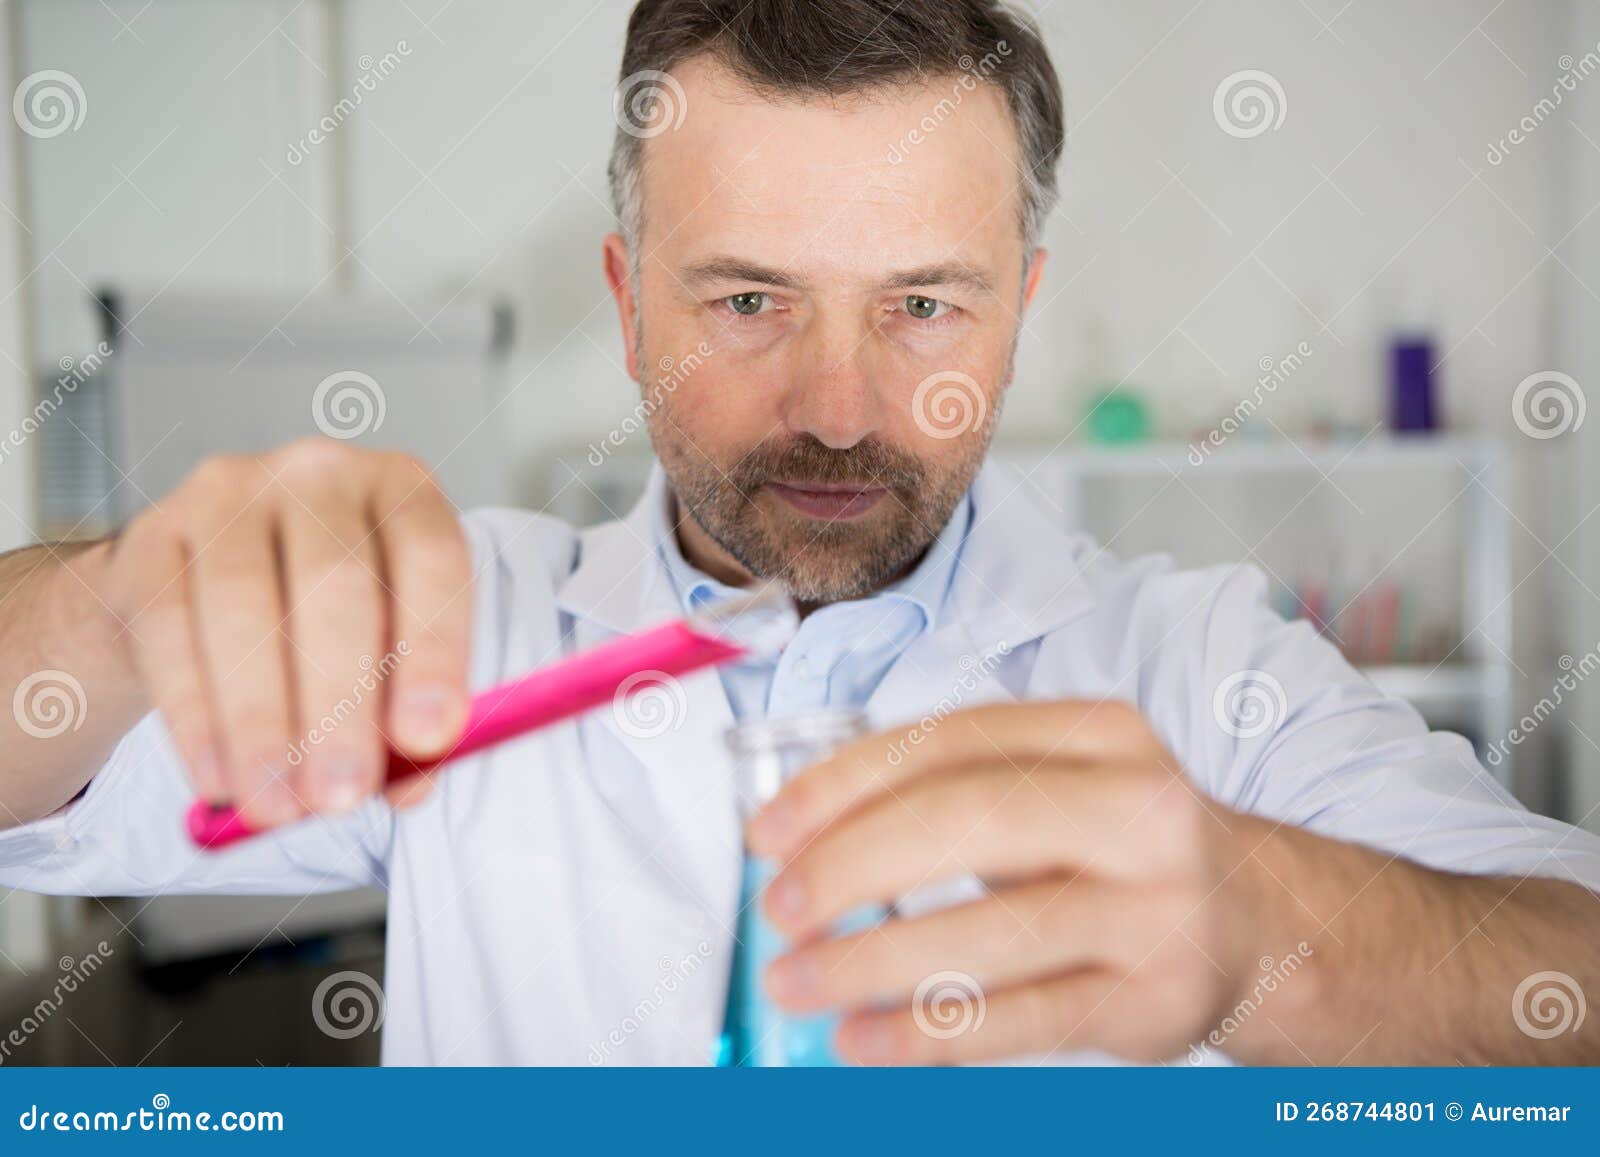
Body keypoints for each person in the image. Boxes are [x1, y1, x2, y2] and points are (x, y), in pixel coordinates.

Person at [1, 0, 1596, 1066]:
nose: (838, 406)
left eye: (921, 305)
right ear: (631, 307)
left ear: (1017, 315)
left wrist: (1266, 922)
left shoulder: (1197, 669)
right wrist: (109, 609)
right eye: (749, 299)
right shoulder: (454, 640)